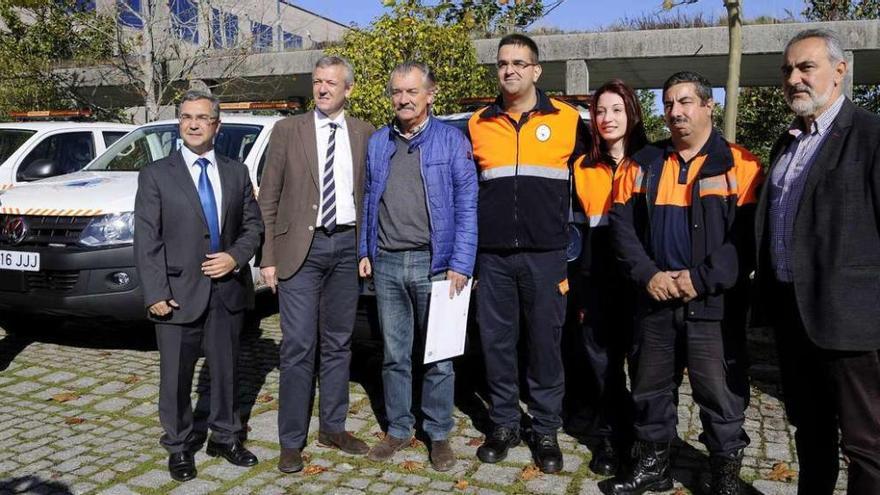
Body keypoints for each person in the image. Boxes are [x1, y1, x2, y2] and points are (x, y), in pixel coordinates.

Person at [606, 71, 763, 495]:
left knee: (721, 394)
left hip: (713, 304)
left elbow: (744, 241)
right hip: (655, 299)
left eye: (685, 102)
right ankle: (653, 468)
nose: (675, 111)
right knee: (650, 387)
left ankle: (724, 474)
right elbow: (621, 230)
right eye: (669, 103)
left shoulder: (741, 165)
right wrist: (649, 276)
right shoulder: (642, 164)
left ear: (709, 106)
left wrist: (699, 279)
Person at [754, 28, 880, 495]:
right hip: (794, 317)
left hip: (854, 324)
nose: (794, 78)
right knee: (811, 432)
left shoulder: (870, 136)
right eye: (787, 70)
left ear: (840, 71)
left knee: (867, 444)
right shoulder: (787, 143)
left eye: (806, 67)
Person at [469, 33, 587, 474]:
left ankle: (545, 429)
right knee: (497, 346)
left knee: (545, 346)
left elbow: (598, 174)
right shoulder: (479, 123)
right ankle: (503, 425)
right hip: (494, 257)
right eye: (503, 63)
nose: (510, 70)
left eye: (519, 63)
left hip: (547, 256)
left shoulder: (569, 120)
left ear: (537, 70)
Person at [134, 90, 263, 482]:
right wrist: (155, 293)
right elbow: (147, 239)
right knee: (175, 377)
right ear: (179, 123)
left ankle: (225, 436)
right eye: (187, 117)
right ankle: (179, 445)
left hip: (226, 292)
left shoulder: (235, 171)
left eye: (202, 118)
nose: (193, 124)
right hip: (176, 294)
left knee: (225, 372)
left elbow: (253, 226)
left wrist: (235, 257)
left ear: (216, 125)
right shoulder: (156, 174)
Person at [257, 56, 375, 473]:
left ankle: (333, 427)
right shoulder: (287, 130)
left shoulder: (364, 133)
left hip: (345, 246)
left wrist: (366, 251)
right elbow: (268, 197)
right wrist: (267, 256)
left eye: (332, 82)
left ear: (349, 89)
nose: (323, 88)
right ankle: (291, 440)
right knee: (298, 345)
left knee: (339, 343)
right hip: (299, 253)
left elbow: (370, 197)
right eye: (318, 81)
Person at [358, 61, 477, 472]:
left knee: (439, 357)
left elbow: (467, 205)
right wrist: (365, 250)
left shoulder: (451, 141)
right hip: (388, 262)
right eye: (396, 92)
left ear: (431, 95)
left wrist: (462, 261)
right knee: (393, 354)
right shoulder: (378, 142)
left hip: (437, 265)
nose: (403, 99)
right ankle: (399, 428)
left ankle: (439, 433)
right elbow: (370, 198)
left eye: (411, 91)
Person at [572, 79, 647, 477]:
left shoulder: (652, 162)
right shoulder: (582, 168)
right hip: (597, 279)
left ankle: (643, 440)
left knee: (643, 365)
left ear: (632, 113)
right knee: (602, 367)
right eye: (600, 111)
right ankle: (608, 438)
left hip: (641, 282)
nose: (607, 118)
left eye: (616, 109)